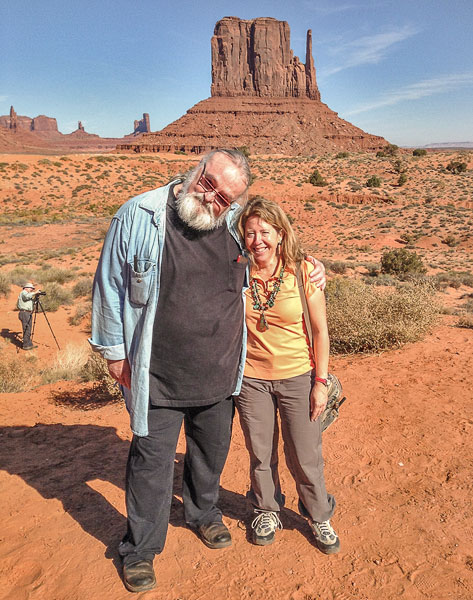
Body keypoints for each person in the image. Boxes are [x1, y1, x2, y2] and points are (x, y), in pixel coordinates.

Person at [90, 149, 326, 593]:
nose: (212, 197)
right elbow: (109, 283)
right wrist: (114, 351)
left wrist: (313, 266)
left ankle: (203, 515)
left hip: (220, 374)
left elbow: (272, 248)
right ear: (196, 169)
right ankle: (140, 549)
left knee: (209, 455)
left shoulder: (235, 224)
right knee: (151, 463)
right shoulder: (140, 215)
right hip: (155, 372)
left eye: (225, 196)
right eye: (210, 183)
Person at [235, 197, 339, 555]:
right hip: (251, 379)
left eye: (265, 231)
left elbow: (321, 331)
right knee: (260, 452)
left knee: (304, 452)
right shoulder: (237, 272)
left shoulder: (303, 271)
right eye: (250, 233)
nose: (257, 240)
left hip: (298, 375)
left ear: (280, 234)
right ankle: (266, 509)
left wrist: (321, 383)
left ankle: (318, 514)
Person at [17, 282, 40, 350]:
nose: (32, 290)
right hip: (24, 313)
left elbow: (32, 302)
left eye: (33, 289)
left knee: (29, 329)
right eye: (31, 288)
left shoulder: (28, 295)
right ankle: (26, 345)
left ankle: (29, 344)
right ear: (26, 288)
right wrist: (35, 293)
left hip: (28, 313)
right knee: (26, 328)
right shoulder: (23, 292)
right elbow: (26, 297)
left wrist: (36, 297)